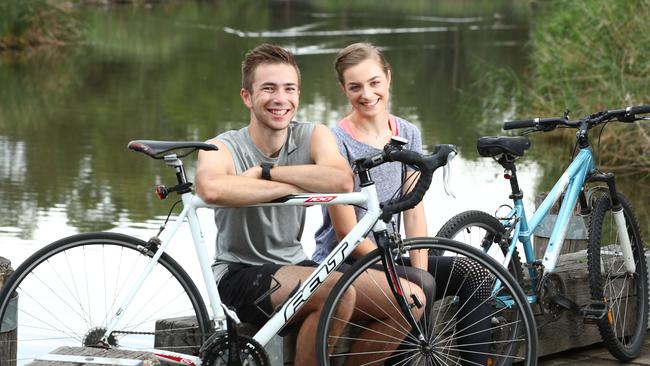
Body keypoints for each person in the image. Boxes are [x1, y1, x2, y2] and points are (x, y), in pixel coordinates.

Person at [195, 43, 426, 365]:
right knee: (337, 291)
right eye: (268, 89)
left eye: (289, 88)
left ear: (298, 95)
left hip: (298, 265)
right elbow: (211, 188)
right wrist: (292, 186)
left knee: (411, 299)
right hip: (240, 272)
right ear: (247, 97)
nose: (280, 98)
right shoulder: (223, 145)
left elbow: (341, 180)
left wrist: (266, 174)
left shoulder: (311, 135)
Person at [313, 42, 493, 365]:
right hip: (347, 261)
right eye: (355, 87)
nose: (367, 95)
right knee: (418, 287)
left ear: (388, 78)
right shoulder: (335, 142)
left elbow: (413, 208)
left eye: (374, 82)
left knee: (475, 272)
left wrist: (418, 268)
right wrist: (413, 281)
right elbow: (346, 232)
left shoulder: (407, 133)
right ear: (343, 89)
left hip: (391, 255)